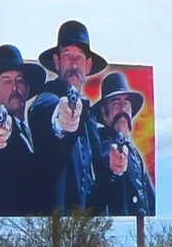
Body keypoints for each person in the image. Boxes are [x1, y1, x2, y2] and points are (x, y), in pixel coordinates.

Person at [25, 20, 109, 213]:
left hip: (87, 230)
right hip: (54, 228)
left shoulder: (90, 118)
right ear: (56, 62)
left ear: (87, 65)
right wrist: (62, 119)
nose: (73, 63)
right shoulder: (46, 99)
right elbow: (48, 111)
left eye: (79, 57)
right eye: (67, 56)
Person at [0, 43, 54, 215]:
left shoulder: (37, 127)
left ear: (28, 88)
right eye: (7, 82)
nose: (15, 88)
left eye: (19, 81)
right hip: (5, 231)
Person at [81, 70, 155, 216]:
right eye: (116, 103)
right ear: (104, 112)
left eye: (126, 102)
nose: (123, 108)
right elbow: (105, 157)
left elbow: (149, 198)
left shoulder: (134, 152)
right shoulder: (101, 141)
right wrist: (113, 163)